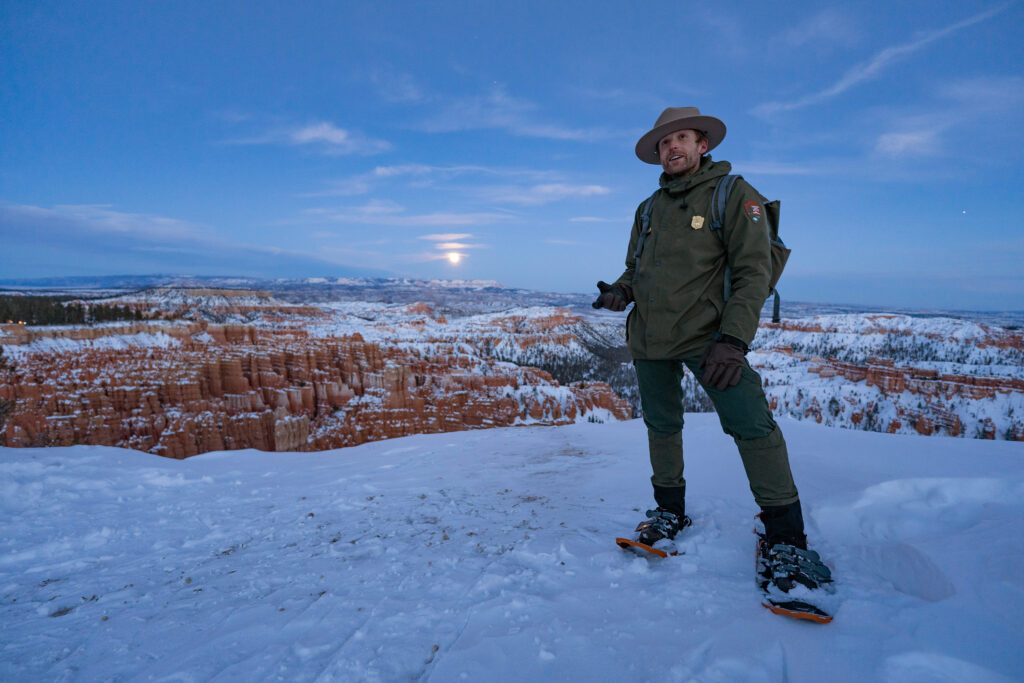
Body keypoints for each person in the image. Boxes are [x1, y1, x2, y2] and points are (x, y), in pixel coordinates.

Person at [596, 107, 821, 575]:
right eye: (663, 143)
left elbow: (753, 271)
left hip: (712, 339)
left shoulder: (732, 194)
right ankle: (669, 510)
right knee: (661, 426)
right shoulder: (648, 208)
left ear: (703, 144)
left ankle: (787, 537)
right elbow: (636, 269)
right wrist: (622, 291)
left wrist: (734, 339)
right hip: (652, 338)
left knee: (751, 424)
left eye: (681, 138)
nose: (672, 147)